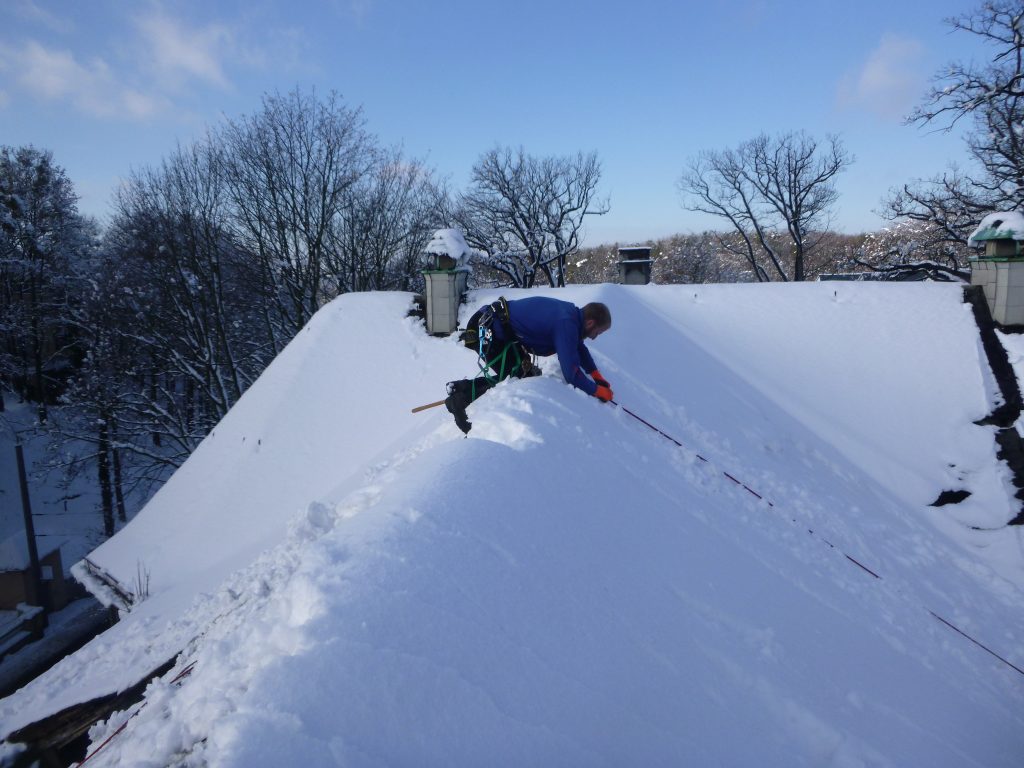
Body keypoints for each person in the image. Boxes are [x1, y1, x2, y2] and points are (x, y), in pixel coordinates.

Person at [444, 296, 613, 433]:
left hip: (496, 324)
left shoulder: (571, 316)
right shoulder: (566, 323)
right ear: (590, 323)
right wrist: (597, 391)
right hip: (487, 328)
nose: (594, 337)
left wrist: (596, 375)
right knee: (515, 379)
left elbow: (577, 346)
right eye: (597, 332)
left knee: (523, 373)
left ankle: (460, 387)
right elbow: (571, 374)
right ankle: (460, 399)